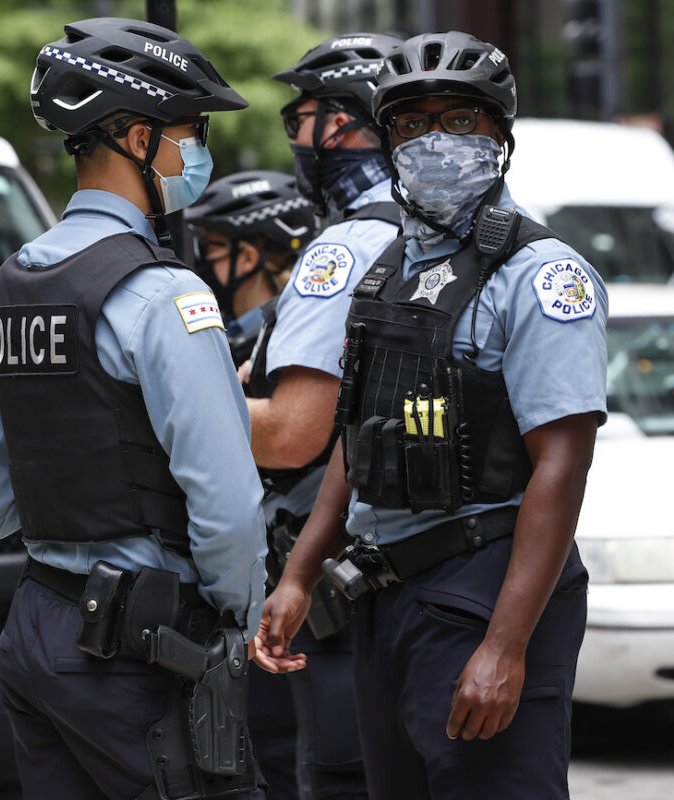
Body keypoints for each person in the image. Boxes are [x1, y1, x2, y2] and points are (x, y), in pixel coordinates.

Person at [256, 31, 608, 800]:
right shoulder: (389, 269)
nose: (436, 142)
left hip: (485, 584)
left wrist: (506, 647)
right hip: (386, 597)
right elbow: (360, 430)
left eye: (460, 121)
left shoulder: (543, 276)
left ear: (500, 138)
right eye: (413, 125)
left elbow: (562, 463)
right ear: (387, 144)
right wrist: (299, 573)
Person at [0, 18, 267, 800]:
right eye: (189, 132)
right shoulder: (163, 295)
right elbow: (229, 509)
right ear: (139, 137)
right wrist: (239, 618)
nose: (196, 151)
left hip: (37, 633)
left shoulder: (6, 290)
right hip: (142, 650)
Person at [244, 32, 405, 799]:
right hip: (453, 577)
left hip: (344, 574)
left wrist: (164, 410)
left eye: (299, 117)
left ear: (341, 125)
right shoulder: (467, 229)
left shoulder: (343, 247)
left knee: (336, 776)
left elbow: (290, 431)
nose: (297, 138)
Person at [185, 170, 316, 800]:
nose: (202, 262)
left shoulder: (290, 331)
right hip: (251, 595)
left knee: (291, 760)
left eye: (212, 247)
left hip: (294, 594)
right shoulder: (242, 335)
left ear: (253, 251)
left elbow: (290, 437)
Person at [185, 170, 315, 366]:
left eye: (209, 247)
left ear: (248, 258)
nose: (202, 258)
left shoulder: (283, 346)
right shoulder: (229, 331)